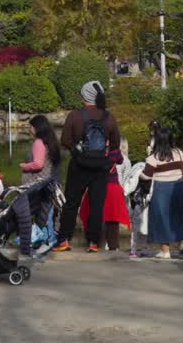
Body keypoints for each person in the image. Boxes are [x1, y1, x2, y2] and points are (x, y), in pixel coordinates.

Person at [53, 80, 120, 253]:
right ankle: (93, 242)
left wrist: (77, 148)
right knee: (97, 205)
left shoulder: (75, 115)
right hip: (101, 167)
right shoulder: (108, 117)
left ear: (85, 95)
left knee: (71, 203)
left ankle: (64, 240)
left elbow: (65, 140)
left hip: (79, 165)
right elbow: (115, 144)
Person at [142, 123, 183, 259]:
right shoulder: (179, 153)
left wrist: (139, 174)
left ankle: (165, 250)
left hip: (161, 188)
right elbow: (182, 168)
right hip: (178, 187)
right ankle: (182, 244)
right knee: (177, 216)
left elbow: (147, 175)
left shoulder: (154, 157)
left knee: (161, 218)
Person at [78, 145, 130, 251]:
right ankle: (113, 245)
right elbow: (120, 160)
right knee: (113, 218)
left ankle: (95, 242)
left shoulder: (93, 149)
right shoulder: (115, 151)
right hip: (114, 187)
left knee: (95, 214)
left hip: (97, 185)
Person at [21, 114, 61, 250]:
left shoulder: (39, 142)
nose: (30, 130)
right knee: (48, 213)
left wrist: (24, 166)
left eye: (31, 127)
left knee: (42, 214)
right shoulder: (51, 141)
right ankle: (48, 238)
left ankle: (46, 240)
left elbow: (38, 164)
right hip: (50, 182)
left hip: (40, 184)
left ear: (37, 128)